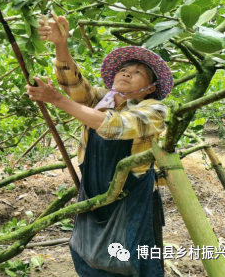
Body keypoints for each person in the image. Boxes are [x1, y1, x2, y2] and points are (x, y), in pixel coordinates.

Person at [25, 15, 173, 276]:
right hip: (93, 190)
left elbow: (118, 126)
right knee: (87, 249)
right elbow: (74, 88)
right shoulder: (101, 100)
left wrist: (57, 100)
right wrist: (62, 45)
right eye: (124, 69)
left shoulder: (155, 109)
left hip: (132, 197)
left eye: (138, 72)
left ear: (150, 88)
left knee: (134, 257)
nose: (127, 72)